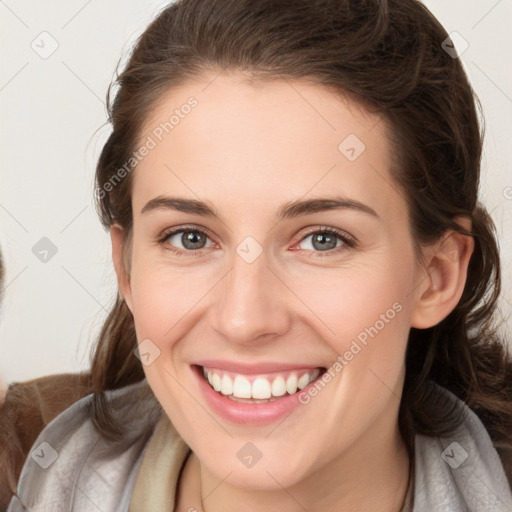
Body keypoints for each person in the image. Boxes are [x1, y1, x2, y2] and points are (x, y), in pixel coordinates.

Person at [3, 0, 512, 510]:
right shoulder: (21, 454)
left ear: (437, 276)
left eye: (322, 239)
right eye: (190, 238)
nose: (244, 320)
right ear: (128, 268)